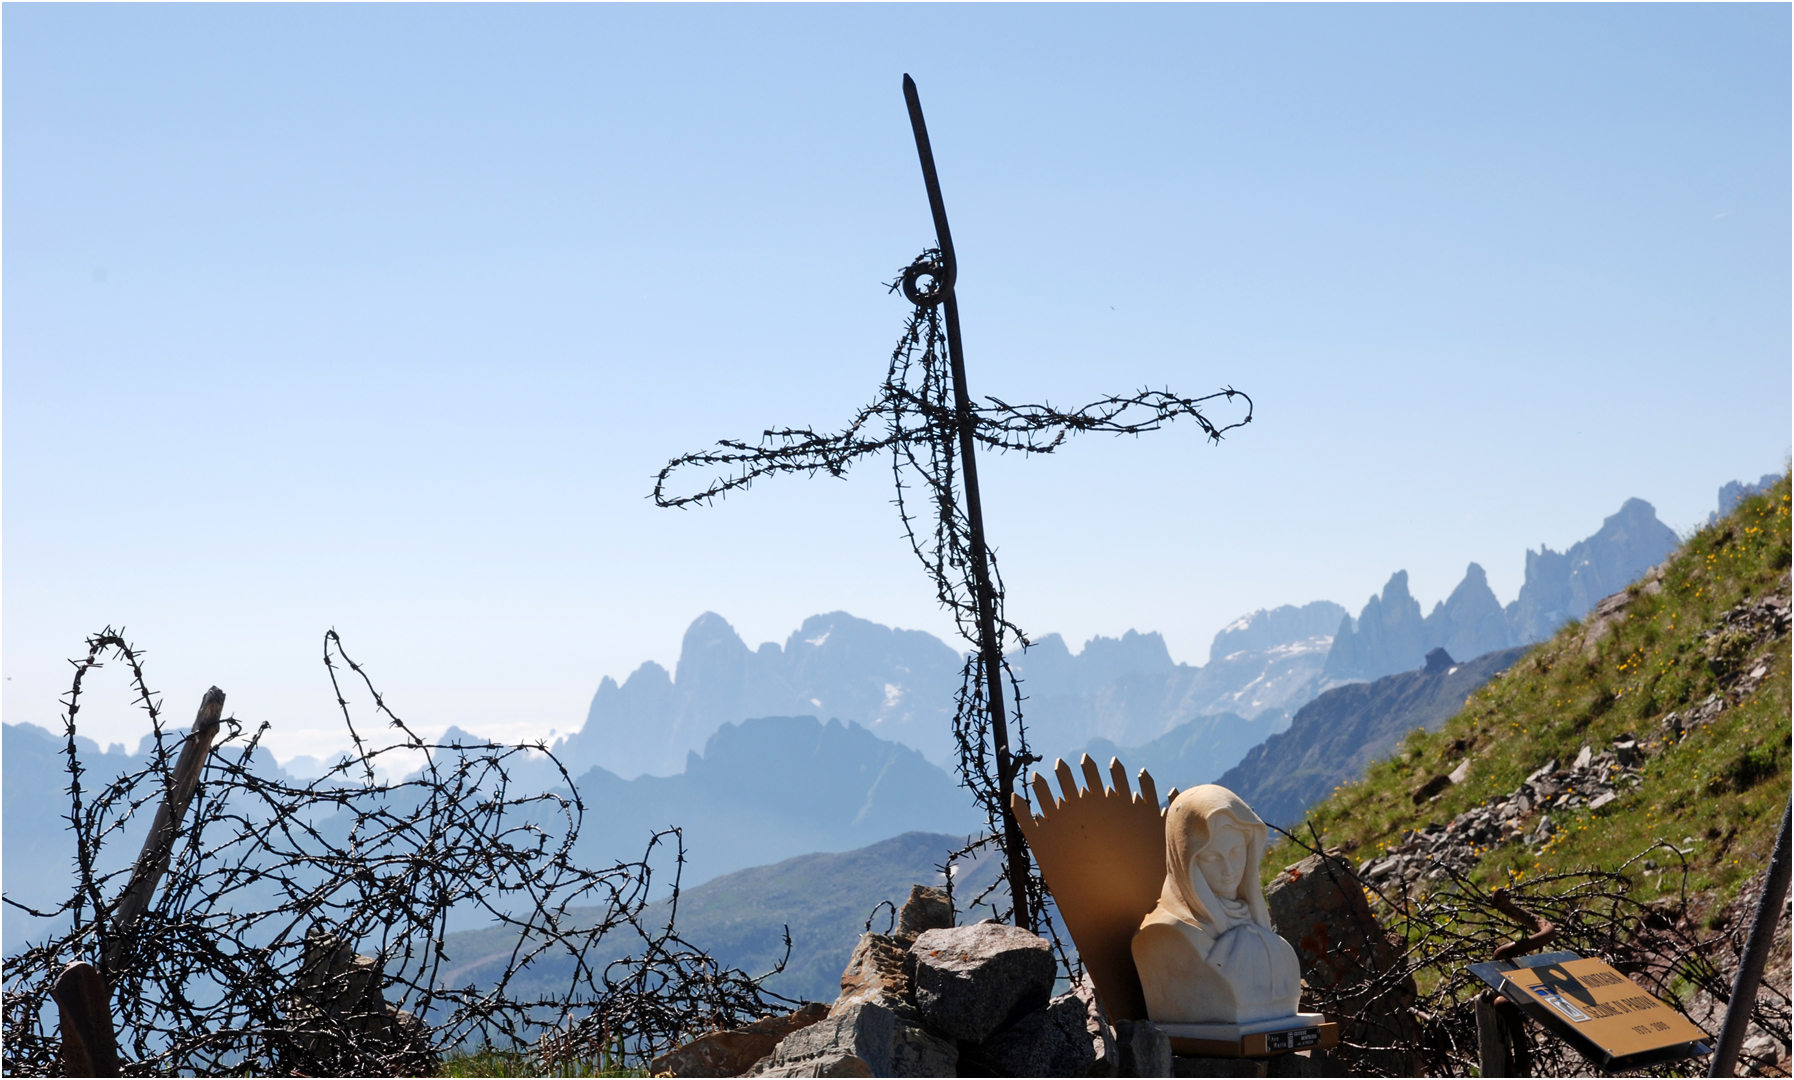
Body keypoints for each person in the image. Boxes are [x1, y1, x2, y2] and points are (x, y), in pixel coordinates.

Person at [1131, 785, 1302, 1025]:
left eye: (1236, 852)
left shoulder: (1253, 922)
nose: (1229, 870)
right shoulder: (1165, 933)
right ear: (1185, 860)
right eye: (1212, 858)